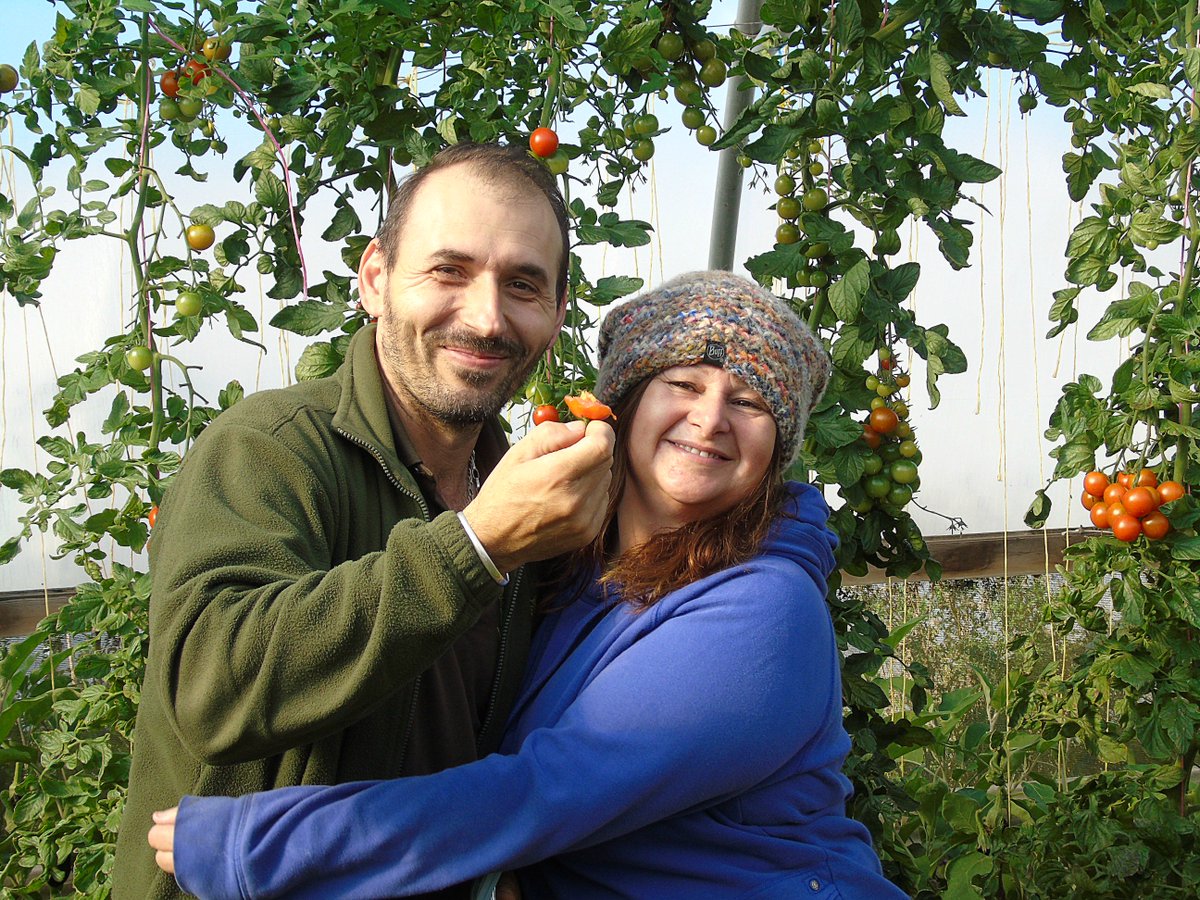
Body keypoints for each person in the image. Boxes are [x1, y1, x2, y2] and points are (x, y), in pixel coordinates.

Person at [148, 270, 907, 899]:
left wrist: (257, 844)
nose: (710, 420)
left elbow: (542, 793)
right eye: (683, 383)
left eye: (747, 402)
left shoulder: (763, 609)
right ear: (625, 402)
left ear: (778, 445)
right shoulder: (568, 569)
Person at [112, 142, 616, 900]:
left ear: (556, 313)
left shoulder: (528, 489)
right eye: (448, 270)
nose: (485, 317)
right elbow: (213, 688)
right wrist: (476, 546)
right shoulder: (271, 449)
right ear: (375, 278)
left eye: (522, 285)